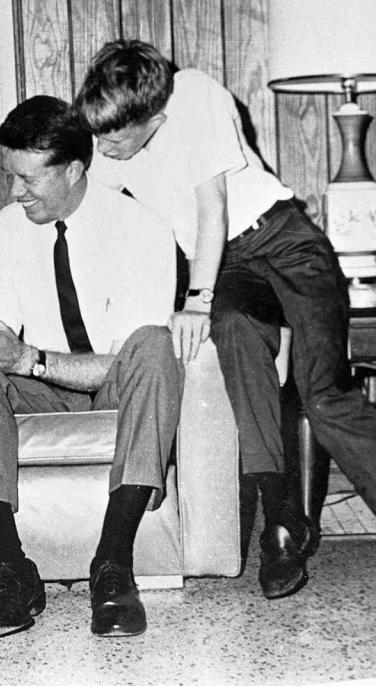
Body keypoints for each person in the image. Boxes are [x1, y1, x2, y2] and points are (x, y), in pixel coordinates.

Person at [75, 39, 376, 600]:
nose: (103, 148)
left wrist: (195, 301)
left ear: (154, 120)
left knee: (323, 396)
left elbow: (212, 208)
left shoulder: (194, 94)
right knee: (235, 332)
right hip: (231, 267)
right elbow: (82, 200)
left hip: (284, 243)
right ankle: (283, 523)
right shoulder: (112, 147)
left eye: (112, 138)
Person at [0, 96, 180, 640]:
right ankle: (9, 569)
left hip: (115, 386)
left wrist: (29, 359)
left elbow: (126, 360)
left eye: (28, 179)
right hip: (40, 385)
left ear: (72, 170)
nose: (14, 193)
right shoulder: (7, 228)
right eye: (10, 176)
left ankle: (112, 565)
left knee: (156, 346)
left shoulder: (141, 228)